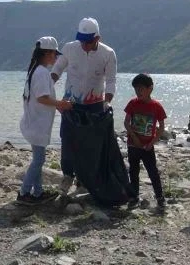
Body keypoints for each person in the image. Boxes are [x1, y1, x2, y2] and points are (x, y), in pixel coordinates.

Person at [51, 17, 117, 195]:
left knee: (89, 143)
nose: (84, 45)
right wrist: (49, 93)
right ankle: (67, 175)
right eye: (81, 40)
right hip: (70, 103)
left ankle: (84, 180)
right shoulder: (70, 48)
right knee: (67, 139)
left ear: (97, 38)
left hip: (95, 105)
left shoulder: (108, 54)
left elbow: (111, 81)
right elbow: (56, 71)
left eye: (88, 42)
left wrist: (107, 103)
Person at [17, 37, 73, 205]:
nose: (56, 57)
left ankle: (38, 192)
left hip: (34, 121)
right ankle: (24, 192)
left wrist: (57, 106)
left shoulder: (36, 70)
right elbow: (42, 98)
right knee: (39, 160)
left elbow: (40, 97)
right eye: (54, 54)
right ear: (47, 53)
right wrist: (61, 104)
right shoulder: (41, 73)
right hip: (37, 123)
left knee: (38, 159)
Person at [123, 73, 167, 210]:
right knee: (133, 172)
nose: (138, 92)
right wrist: (134, 138)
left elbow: (161, 127)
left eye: (141, 89)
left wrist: (152, 142)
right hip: (133, 145)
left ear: (150, 89)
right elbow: (126, 122)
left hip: (148, 147)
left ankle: (160, 197)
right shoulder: (132, 103)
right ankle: (134, 196)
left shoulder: (156, 106)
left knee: (152, 171)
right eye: (136, 89)